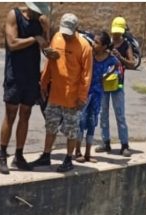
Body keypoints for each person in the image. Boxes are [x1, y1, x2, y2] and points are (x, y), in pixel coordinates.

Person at [0, 1, 54, 174]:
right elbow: (12, 43)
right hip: (15, 74)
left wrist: (46, 32)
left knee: (26, 114)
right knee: (11, 113)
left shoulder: (40, 21)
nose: (39, 15)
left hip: (31, 75)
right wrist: (34, 38)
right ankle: (2, 155)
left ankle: (19, 155)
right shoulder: (14, 15)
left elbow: (45, 46)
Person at [32, 13, 92, 173]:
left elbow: (86, 75)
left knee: (71, 131)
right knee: (50, 126)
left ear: (76, 29)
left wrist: (82, 97)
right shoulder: (57, 38)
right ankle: (46, 155)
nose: (65, 35)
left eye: (69, 32)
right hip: (55, 94)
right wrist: (43, 83)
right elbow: (49, 62)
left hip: (73, 98)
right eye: (64, 31)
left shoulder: (85, 46)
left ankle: (68, 159)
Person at [76, 31, 119, 163]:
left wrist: (105, 76)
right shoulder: (89, 54)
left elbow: (117, 65)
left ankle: (88, 153)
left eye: (97, 42)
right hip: (85, 92)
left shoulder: (109, 58)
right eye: (93, 41)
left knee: (92, 122)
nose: (93, 44)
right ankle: (77, 151)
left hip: (97, 94)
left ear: (105, 46)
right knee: (80, 121)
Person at [97, 16, 133, 156]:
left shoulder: (126, 45)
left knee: (120, 114)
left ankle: (124, 144)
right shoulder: (108, 43)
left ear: (123, 31)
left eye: (118, 32)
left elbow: (132, 63)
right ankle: (106, 142)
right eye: (114, 32)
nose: (116, 35)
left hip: (118, 84)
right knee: (103, 113)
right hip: (104, 82)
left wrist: (120, 57)